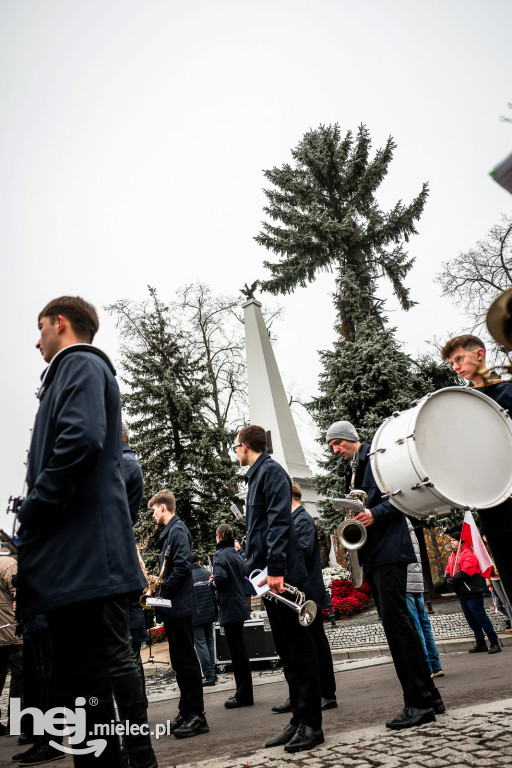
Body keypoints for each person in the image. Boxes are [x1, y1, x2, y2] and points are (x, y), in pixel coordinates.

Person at [16, 296, 155, 768]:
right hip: (81, 564)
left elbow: (80, 438)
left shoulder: (77, 363)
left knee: (82, 691)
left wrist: (33, 510)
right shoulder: (76, 370)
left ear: (60, 323)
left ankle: (139, 753)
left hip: (83, 565)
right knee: (86, 695)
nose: (37, 342)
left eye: (40, 330)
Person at [326, 419, 444, 730]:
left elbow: (401, 496)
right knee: (402, 625)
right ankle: (430, 697)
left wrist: (373, 514)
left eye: (337, 442)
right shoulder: (352, 468)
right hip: (378, 554)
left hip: (389, 552)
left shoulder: (374, 459)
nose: (334, 449)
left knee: (398, 629)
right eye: (331, 446)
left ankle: (418, 703)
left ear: (351, 439)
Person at [234, 425, 323, 753]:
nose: (235, 453)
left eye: (236, 447)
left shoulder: (271, 471)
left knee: (300, 649)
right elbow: (260, 527)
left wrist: (275, 569)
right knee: (287, 651)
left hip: (281, 576)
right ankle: (299, 719)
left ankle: (313, 724)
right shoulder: (256, 475)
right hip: (268, 576)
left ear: (244, 446)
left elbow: (278, 522)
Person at [441, 334, 512, 607]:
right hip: (494, 515)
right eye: (451, 364)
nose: (456, 367)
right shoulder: (464, 404)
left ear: (479, 354)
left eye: (459, 358)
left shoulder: (507, 392)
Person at [148, 489, 208, 738]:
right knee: (180, 663)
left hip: (178, 605)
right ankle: (186, 711)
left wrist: (162, 592)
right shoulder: (171, 532)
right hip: (174, 607)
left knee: (187, 663)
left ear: (162, 507)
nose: (153, 515)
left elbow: (182, 566)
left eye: (153, 510)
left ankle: (197, 715)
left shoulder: (178, 530)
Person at [271, 483, 337, 714]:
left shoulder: (302, 519)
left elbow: (305, 550)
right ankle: (299, 694)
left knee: (317, 644)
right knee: (298, 648)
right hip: (298, 593)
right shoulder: (292, 520)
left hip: (308, 592)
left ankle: (327, 694)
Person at [212, 524, 254, 708]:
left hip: (230, 607)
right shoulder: (235, 553)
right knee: (241, 652)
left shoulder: (220, 554)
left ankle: (243, 695)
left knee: (237, 653)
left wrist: (212, 584)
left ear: (220, 536)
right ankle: (245, 693)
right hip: (239, 604)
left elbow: (220, 578)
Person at [445, 532, 501, 654]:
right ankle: (480, 643)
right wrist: (447, 577)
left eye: (454, 540)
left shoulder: (467, 553)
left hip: (472, 591)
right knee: (471, 620)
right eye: (451, 541)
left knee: (481, 618)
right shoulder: (452, 555)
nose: (452, 542)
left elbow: (468, 570)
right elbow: (448, 569)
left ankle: (494, 642)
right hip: (462, 593)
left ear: (461, 542)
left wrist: (453, 580)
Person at [405, 520, 443, 678]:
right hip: (417, 581)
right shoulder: (409, 527)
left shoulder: (397, 527)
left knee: (416, 625)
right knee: (424, 623)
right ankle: (436, 665)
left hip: (406, 582)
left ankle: (426, 667)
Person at [0, 547, 23, 737]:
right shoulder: (8, 564)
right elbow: (19, 594)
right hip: (11, 630)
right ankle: (16, 722)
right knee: (19, 676)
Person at [190, 552, 217, 686]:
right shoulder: (207, 574)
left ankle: (209, 676)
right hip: (209, 613)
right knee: (210, 642)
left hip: (196, 615)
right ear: (199, 561)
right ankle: (213, 672)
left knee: (200, 644)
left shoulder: (188, 578)